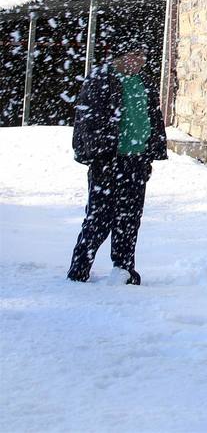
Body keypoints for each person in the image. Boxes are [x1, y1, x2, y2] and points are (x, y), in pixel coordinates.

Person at [67, 43, 168, 285]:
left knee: (130, 216)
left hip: (136, 159)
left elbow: (152, 117)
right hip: (108, 160)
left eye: (143, 56)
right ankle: (80, 268)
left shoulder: (143, 82)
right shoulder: (101, 80)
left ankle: (123, 268)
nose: (140, 61)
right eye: (135, 55)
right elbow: (87, 120)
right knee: (99, 216)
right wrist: (98, 152)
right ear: (119, 56)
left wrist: (151, 151)